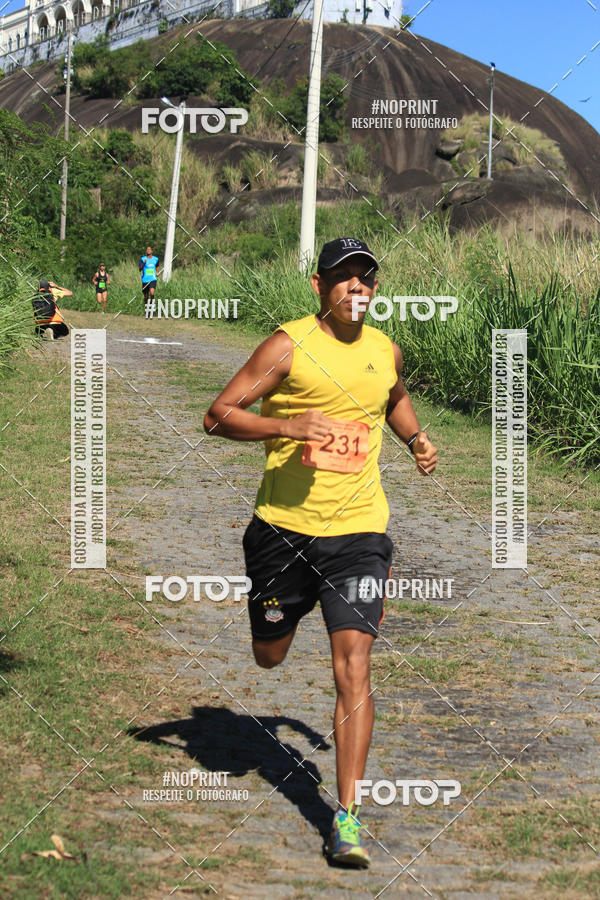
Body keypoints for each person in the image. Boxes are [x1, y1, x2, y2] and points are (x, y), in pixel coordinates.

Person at [203, 237, 437, 868]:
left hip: (359, 533)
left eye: (365, 280)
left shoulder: (385, 349)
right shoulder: (288, 345)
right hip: (282, 532)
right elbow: (218, 415)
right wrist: (287, 425)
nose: (355, 290)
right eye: (342, 280)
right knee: (269, 654)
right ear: (319, 286)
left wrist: (414, 439)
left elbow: (390, 397)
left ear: (375, 288)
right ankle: (279, 616)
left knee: (353, 665)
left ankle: (346, 818)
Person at [138, 245, 159, 318]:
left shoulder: (156, 259)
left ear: (152, 251)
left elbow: (157, 265)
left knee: (152, 293)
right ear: (146, 251)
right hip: (145, 280)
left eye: (149, 249)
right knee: (146, 296)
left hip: (153, 279)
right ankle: (147, 310)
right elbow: (140, 269)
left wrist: (157, 272)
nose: (148, 250)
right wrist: (144, 263)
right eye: (147, 249)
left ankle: (152, 306)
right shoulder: (143, 259)